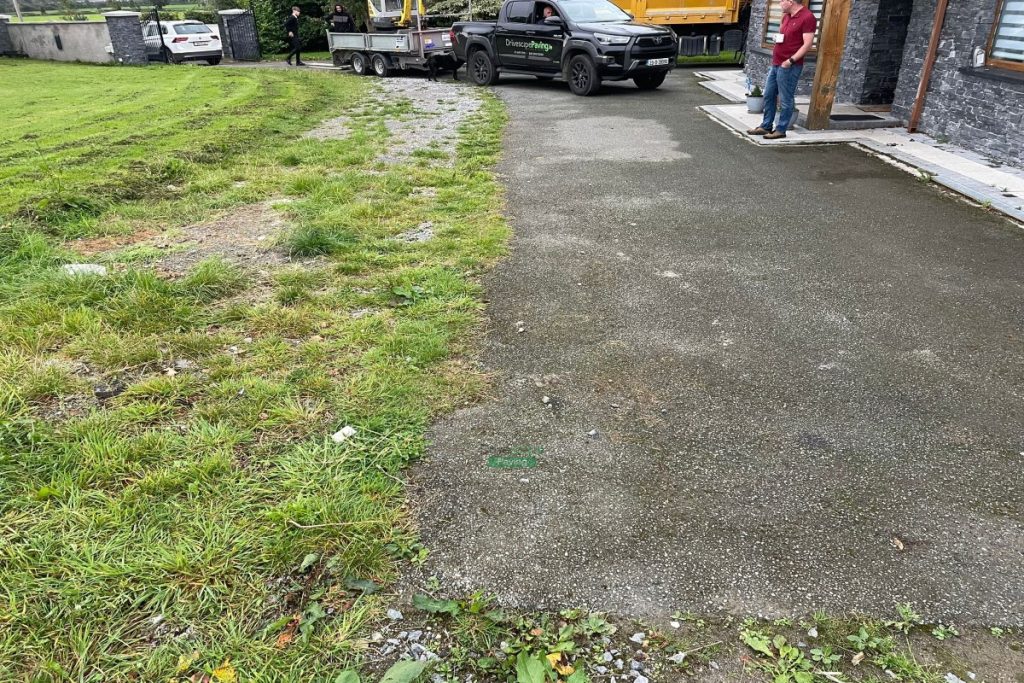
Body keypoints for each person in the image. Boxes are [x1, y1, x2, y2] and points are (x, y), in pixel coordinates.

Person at [747, 0, 816, 139]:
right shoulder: (786, 16)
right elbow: (785, 37)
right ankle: (766, 126)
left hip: (789, 65)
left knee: (786, 98)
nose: (780, 3)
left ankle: (781, 129)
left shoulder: (807, 17)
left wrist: (790, 61)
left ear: (790, 2)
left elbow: (807, 44)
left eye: (782, 1)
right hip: (777, 62)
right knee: (768, 94)